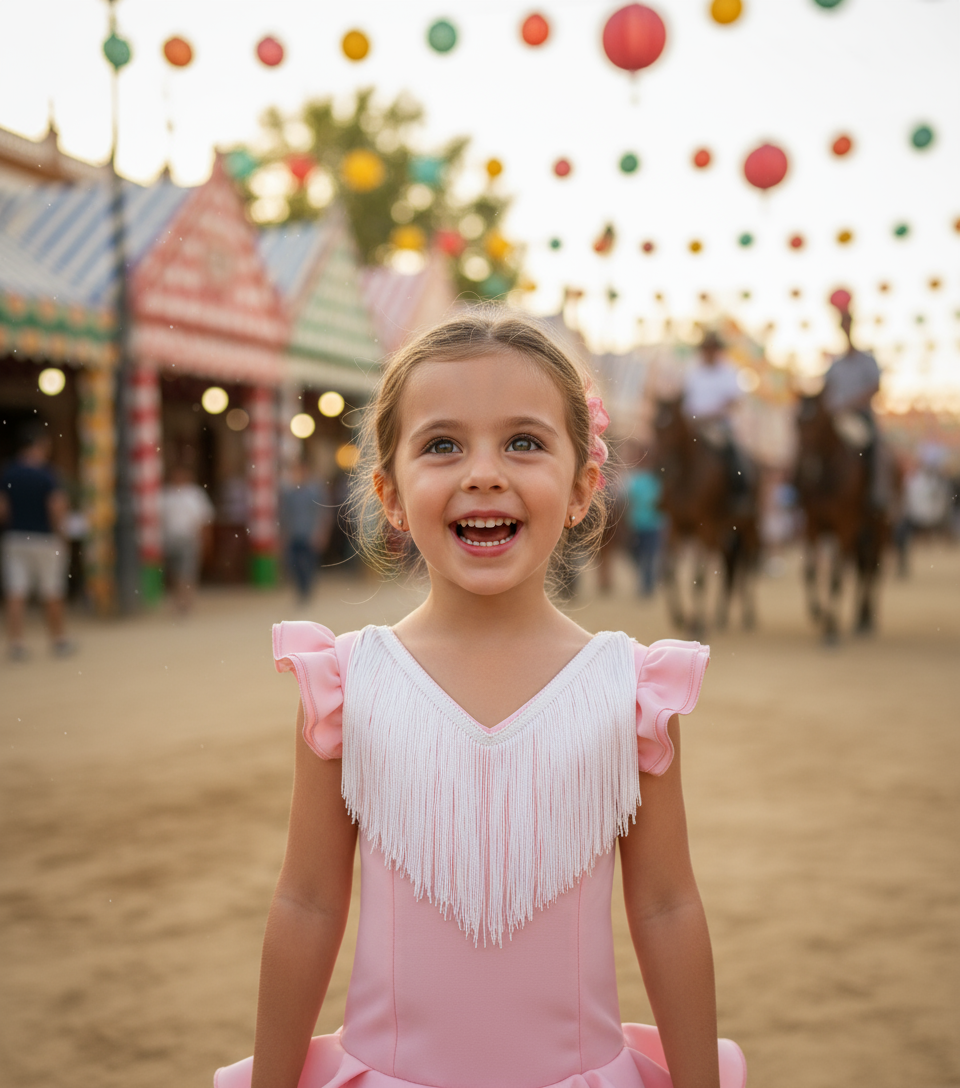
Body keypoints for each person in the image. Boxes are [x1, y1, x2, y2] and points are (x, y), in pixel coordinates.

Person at [215, 312, 746, 1088]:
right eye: (442, 445)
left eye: (524, 442)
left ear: (581, 487)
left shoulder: (632, 691)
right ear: (390, 495)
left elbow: (666, 905)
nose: (484, 473)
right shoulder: (343, 685)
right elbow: (306, 902)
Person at [0, 423, 72, 660]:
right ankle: (58, 639)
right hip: (44, 538)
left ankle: (17, 644)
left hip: (15, 537)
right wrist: (61, 534)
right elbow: (56, 507)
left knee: (16, 592)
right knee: (52, 590)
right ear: (40, 444)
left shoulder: (8, 473)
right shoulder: (47, 475)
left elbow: (2, 509)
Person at [822, 309, 884, 507]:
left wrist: (851, 403)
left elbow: (875, 387)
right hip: (837, 418)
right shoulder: (835, 365)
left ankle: (875, 494)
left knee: (875, 449)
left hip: (860, 416)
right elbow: (825, 391)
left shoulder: (866, 360)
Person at [682, 331, 750, 505]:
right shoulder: (693, 372)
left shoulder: (728, 371)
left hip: (719, 427)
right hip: (694, 428)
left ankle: (739, 496)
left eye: (713, 348)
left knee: (733, 456)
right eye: (707, 348)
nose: (709, 352)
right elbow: (685, 400)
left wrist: (713, 415)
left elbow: (735, 401)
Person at [160, 464, 214, 613]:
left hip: (189, 538)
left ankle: (186, 601)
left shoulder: (194, 495)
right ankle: (178, 600)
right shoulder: (166, 496)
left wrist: (206, 539)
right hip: (170, 538)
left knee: (187, 571)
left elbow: (204, 519)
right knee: (175, 572)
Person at [280, 461, 330, 603]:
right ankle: (300, 590)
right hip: (294, 533)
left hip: (309, 533)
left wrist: (320, 532)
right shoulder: (289, 493)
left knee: (308, 564)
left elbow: (322, 513)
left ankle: (307, 591)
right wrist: (284, 533)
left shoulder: (314, 491)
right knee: (294, 564)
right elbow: (285, 515)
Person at [624, 442, 663, 597]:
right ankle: (646, 581)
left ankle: (647, 586)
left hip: (653, 525)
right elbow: (629, 501)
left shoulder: (656, 479)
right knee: (638, 555)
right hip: (637, 524)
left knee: (650, 556)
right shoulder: (635, 478)